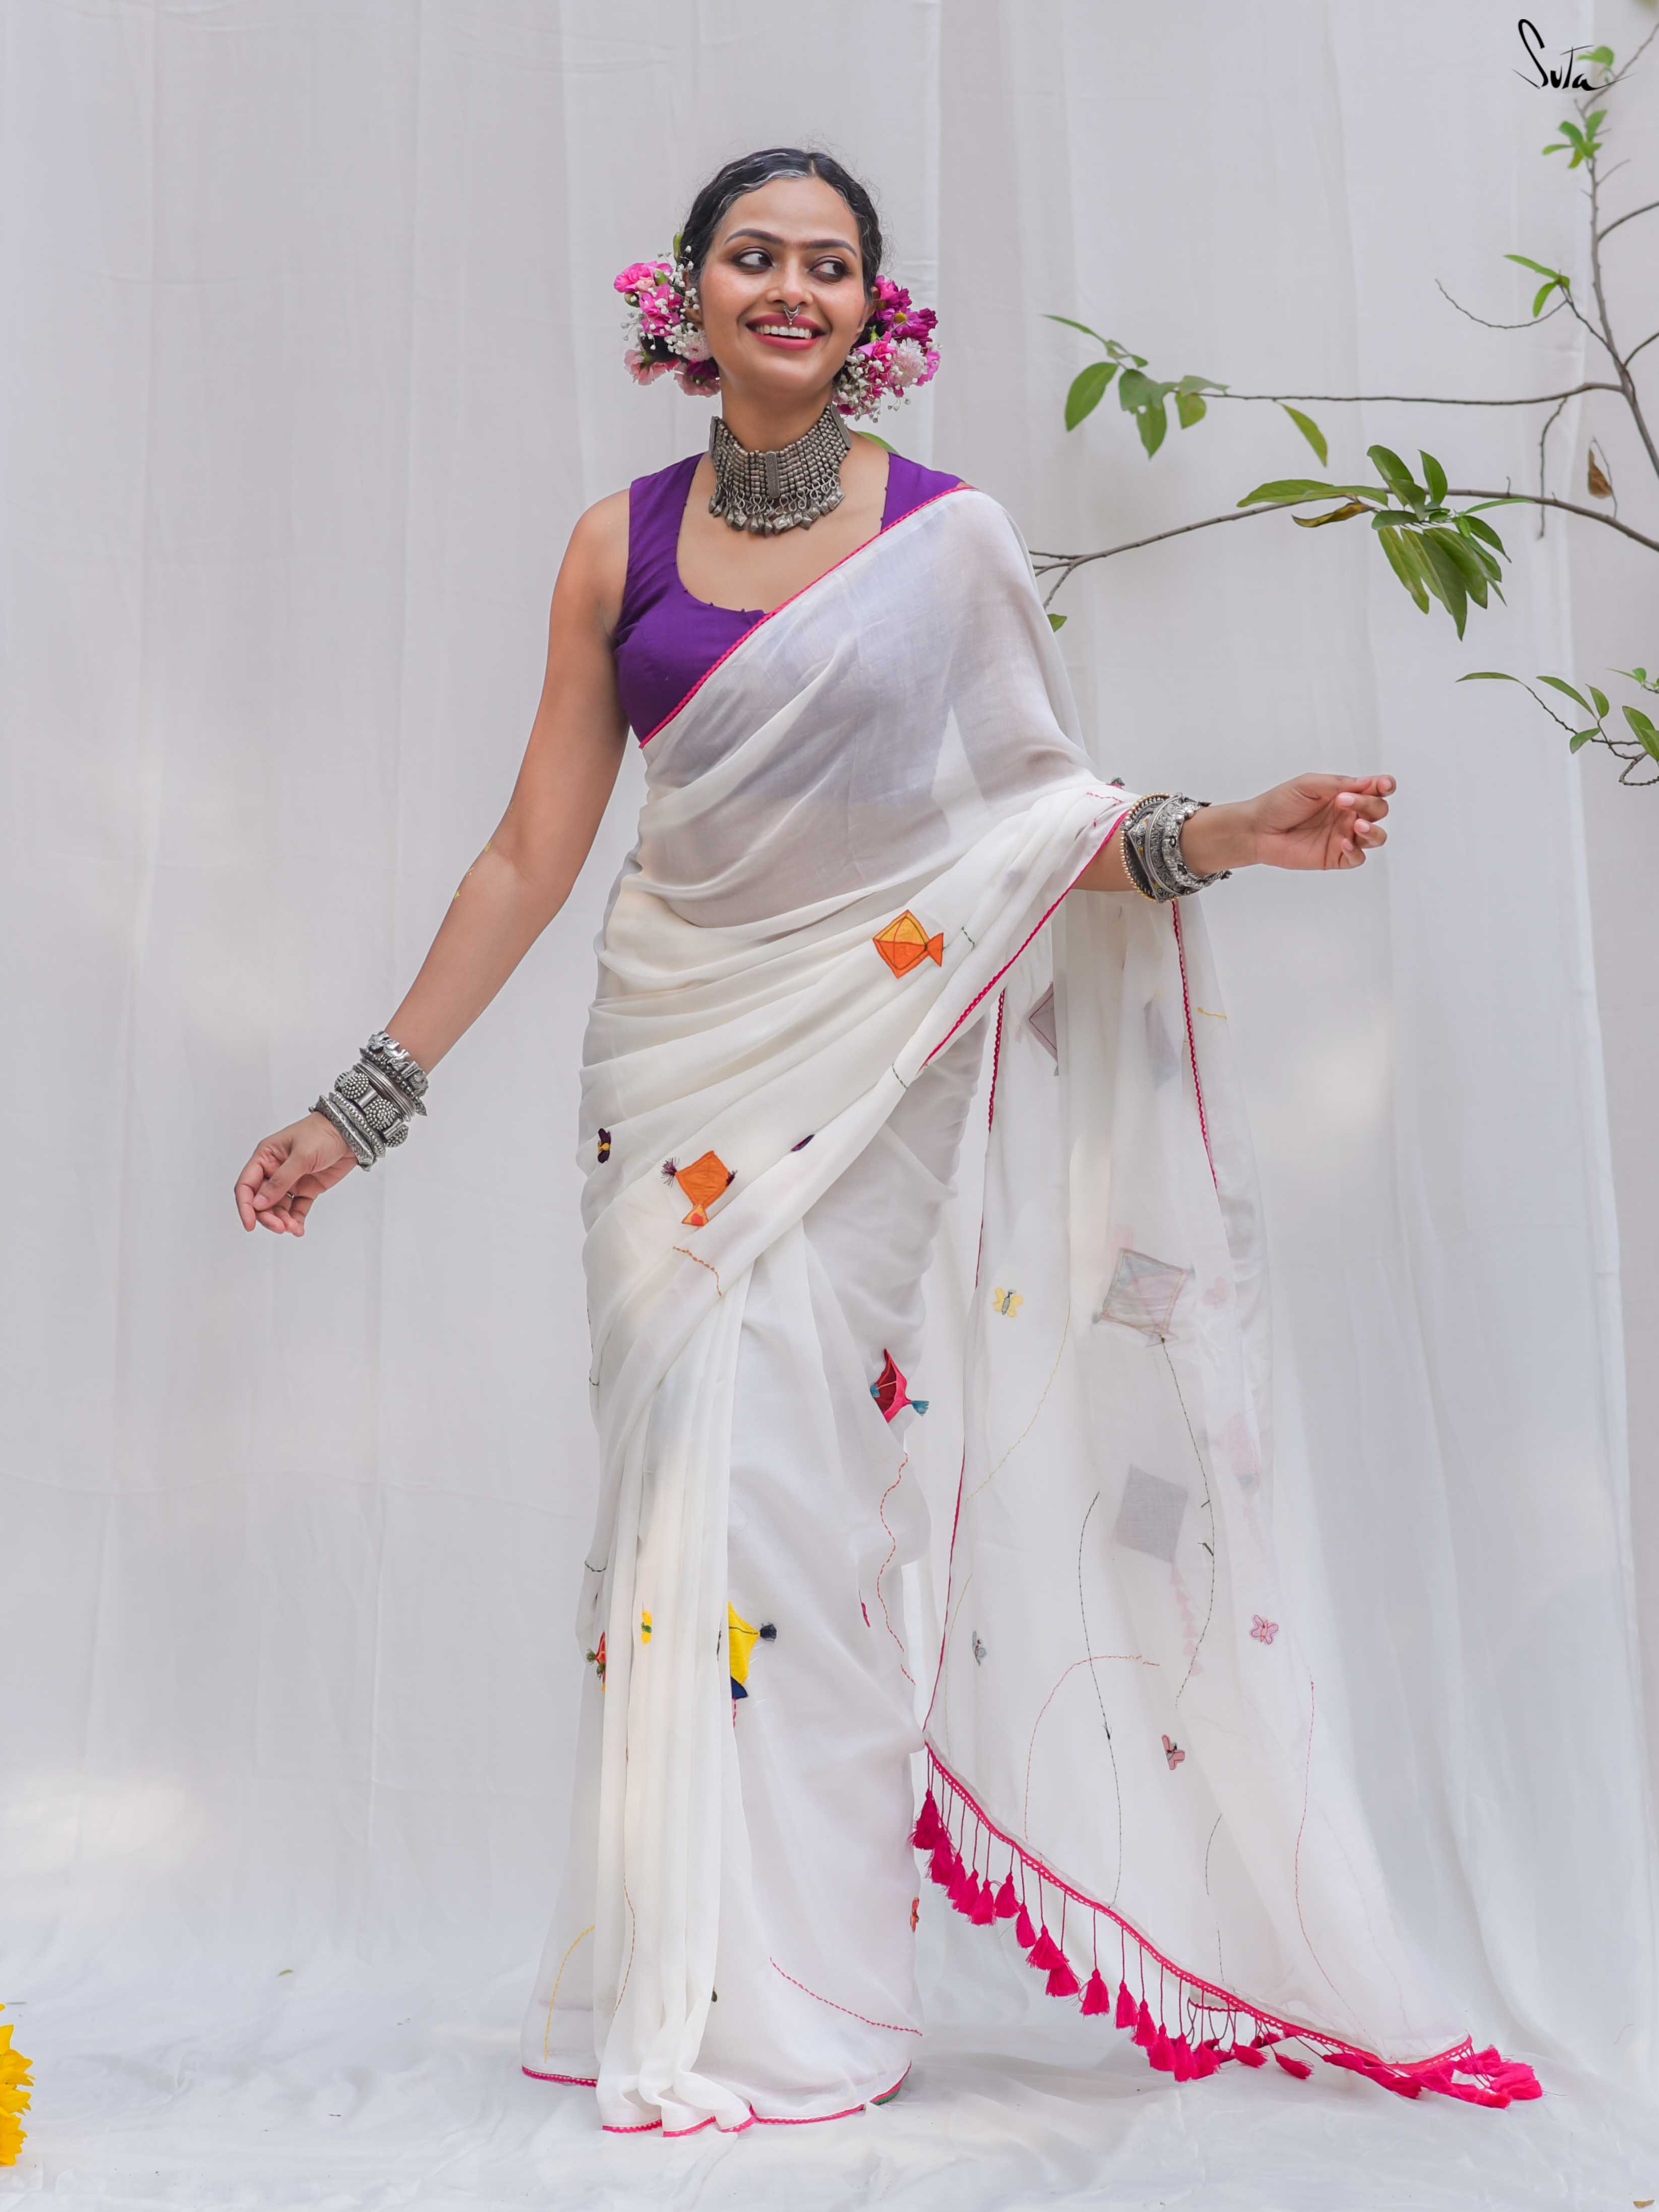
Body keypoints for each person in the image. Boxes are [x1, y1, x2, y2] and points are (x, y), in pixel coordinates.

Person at [234, 147, 1537, 2137]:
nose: (790, 286)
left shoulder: (948, 541)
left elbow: (1035, 821)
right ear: (683, 295)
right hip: (670, 1075)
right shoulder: (611, 545)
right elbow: (527, 855)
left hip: (866, 1075)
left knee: (794, 1508)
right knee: (675, 1508)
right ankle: (672, 1978)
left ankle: (810, 2006)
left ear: (870, 310)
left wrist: (1227, 833)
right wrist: (364, 1102)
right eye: (752, 256)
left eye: (827, 264)